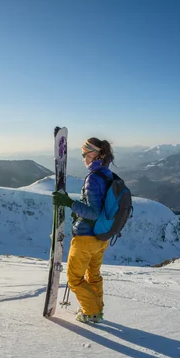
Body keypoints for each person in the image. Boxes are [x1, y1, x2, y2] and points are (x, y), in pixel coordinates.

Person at [52, 137, 114, 323]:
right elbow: (100, 208)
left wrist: (70, 204)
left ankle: (91, 312)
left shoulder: (93, 179)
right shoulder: (107, 175)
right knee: (93, 275)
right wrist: (80, 212)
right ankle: (97, 308)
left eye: (84, 154)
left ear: (93, 154)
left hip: (86, 238)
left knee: (75, 279)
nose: (83, 158)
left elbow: (93, 212)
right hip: (102, 238)